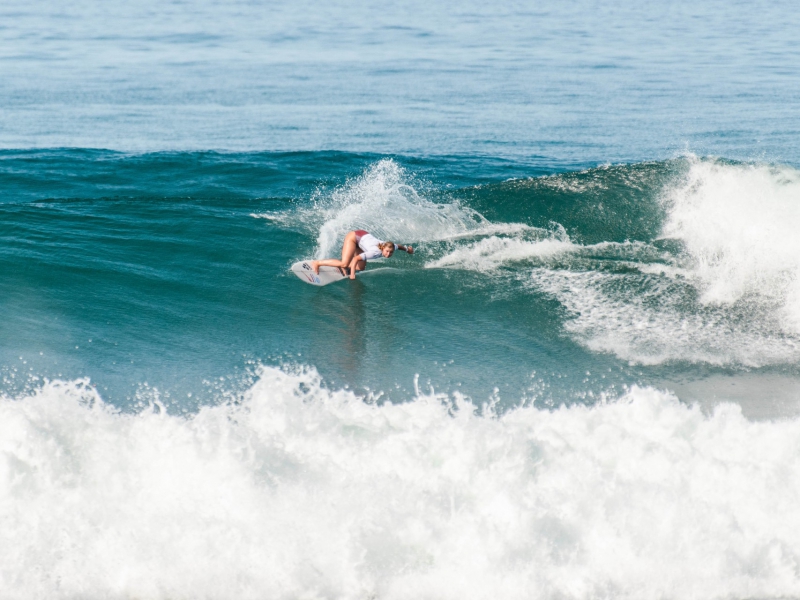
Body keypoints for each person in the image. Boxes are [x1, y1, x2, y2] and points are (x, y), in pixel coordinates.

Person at [311, 229, 414, 280]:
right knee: (345, 263)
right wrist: (352, 276)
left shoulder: (389, 246)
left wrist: (407, 249)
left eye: (391, 252)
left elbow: (398, 246)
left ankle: (343, 266)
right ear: (383, 249)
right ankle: (318, 263)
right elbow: (356, 258)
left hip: (362, 238)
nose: (389, 254)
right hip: (354, 237)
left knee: (361, 268)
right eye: (387, 251)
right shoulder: (374, 253)